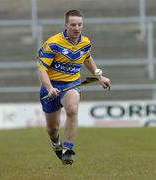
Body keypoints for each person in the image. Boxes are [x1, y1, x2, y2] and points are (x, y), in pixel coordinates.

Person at [37, 10, 111, 165]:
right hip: (51, 87)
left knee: (72, 108)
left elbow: (88, 60)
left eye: (80, 24)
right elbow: (42, 69)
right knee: (52, 128)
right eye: (73, 25)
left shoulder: (85, 42)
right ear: (66, 25)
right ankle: (56, 144)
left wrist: (99, 76)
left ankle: (68, 149)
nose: (77, 28)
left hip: (72, 84)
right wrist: (50, 87)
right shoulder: (53, 43)